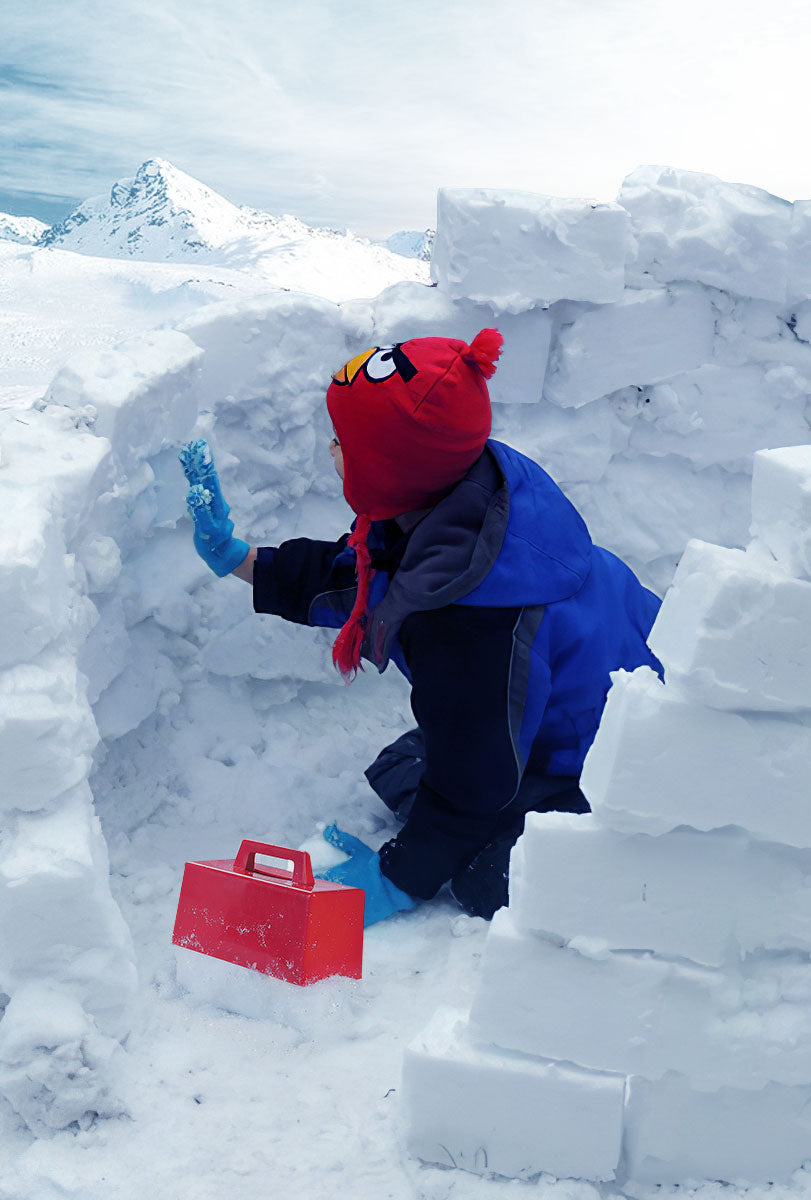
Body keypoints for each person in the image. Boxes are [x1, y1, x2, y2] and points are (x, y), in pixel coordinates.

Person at [180, 330, 662, 922]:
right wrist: (243, 561)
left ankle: (604, 832)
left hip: (621, 752)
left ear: (389, 471)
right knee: (404, 769)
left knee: (489, 877)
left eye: (343, 444)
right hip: (593, 686)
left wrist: (399, 877)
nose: (332, 448)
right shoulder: (471, 493)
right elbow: (369, 576)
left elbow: (472, 780)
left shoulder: (473, 624)